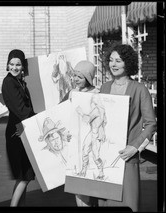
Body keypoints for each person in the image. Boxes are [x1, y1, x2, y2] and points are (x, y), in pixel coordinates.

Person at [97, 44, 156, 211]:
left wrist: (135, 147)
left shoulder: (139, 89)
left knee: (127, 203)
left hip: (127, 156)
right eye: (110, 60)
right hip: (105, 155)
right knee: (105, 202)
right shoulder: (104, 87)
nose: (113, 64)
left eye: (118, 61)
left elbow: (151, 123)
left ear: (127, 63)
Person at [61, 60, 99, 207]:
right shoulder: (72, 92)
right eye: (74, 76)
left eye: (80, 77)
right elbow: (63, 113)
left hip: (91, 138)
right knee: (77, 185)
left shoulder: (97, 93)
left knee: (91, 183)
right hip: (75, 140)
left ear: (88, 78)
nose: (76, 79)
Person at [1, 49, 36, 206]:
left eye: (18, 64)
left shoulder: (20, 82)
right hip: (17, 133)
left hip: (22, 130)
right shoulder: (9, 82)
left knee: (25, 175)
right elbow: (21, 110)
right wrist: (39, 115)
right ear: (7, 65)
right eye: (11, 64)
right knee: (24, 175)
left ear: (23, 67)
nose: (14, 67)